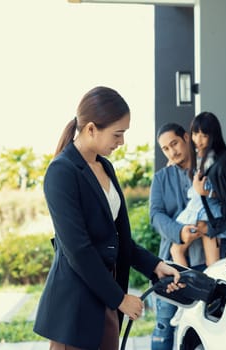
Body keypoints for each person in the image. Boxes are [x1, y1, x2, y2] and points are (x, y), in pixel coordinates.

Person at [33, 86, 182, 350]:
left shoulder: (104, 166)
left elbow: (119, 238)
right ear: (91, 129)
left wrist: (155, 265)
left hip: (106, 292)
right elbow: (78, 249)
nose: (122, 142)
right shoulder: (61, 173)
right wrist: (120, 299)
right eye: (118, 134)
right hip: (77, 303)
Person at [149, 119, 226, 350]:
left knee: (215, 326)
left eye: (174, 143)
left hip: (213, 262)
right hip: (172, 267)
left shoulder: (212, 169)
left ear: (187, 138)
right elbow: (155, 215)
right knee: (164, 325)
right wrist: (179, 232)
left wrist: (209, 227)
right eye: (165, 148)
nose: (172, 151)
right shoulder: (161, 179)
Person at [170, 112, 226, 267]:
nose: (198, 140)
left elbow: (213, 191)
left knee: (176, 251)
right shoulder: (206, 157)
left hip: (201, 217)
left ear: (213, 136)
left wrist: (204, 192)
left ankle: (186, 287)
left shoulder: (211, 159)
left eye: (204, 135)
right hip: (209, 218)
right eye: (195, 134)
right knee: (212, 264)